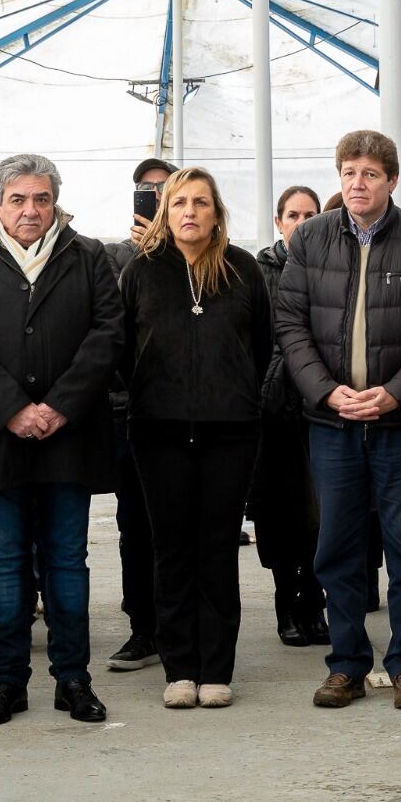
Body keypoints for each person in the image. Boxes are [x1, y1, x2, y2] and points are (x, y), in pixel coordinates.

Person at [275, 129, 401, 710]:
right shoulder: (308, 240)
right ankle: (347, 664)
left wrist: (396, 394)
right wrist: (327, 393)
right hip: (332, 424)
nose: (358, 183)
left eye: (371, 174)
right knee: (337, 547)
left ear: (392, 181)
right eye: (349, 173)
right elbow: (290, 327)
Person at [0, 154, 120, 728]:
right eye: (18, 199)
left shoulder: (88, 255)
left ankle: (73, 680)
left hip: (71, 437)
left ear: (55, 203)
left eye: (41, 199)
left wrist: (60, 406)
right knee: (7, 561)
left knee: (69, 560)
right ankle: (7, 683)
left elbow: (107, 334)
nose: (30, 210)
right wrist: (14, 409)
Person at [120, 168, 272, 709]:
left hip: (230, 430)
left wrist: (233, 393)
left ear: (216, 212)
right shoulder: (141, 271)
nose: (189, 211)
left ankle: (216, 668)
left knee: (216, 546)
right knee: (172, 547)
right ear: (164, 211)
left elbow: (262, 345)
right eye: (179, 202)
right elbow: (121, 347)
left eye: (200, 202)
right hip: (157, 429)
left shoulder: (243, 269)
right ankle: (179, 666)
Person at [101, 157, 175, 673]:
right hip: (131, 412)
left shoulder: (201, 253)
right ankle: (142, 627)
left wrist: (167, 249)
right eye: (144, 190)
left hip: (186, 410)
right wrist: (143, 253)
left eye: (163, 188)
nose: (154, 196)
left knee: (179, 525)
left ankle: (178, 625)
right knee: (136, 525)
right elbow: (112, 330)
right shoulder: (115, 256)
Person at [252, 185, 327, 647]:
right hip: (271, 411)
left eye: (310, 214)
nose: (301, 222)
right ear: (278, 221)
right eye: (293, 214)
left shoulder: (334, 268)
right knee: (279, 513)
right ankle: (286, 598)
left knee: (321, 514)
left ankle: (313, 600)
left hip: (319, 408)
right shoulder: (256, 271)